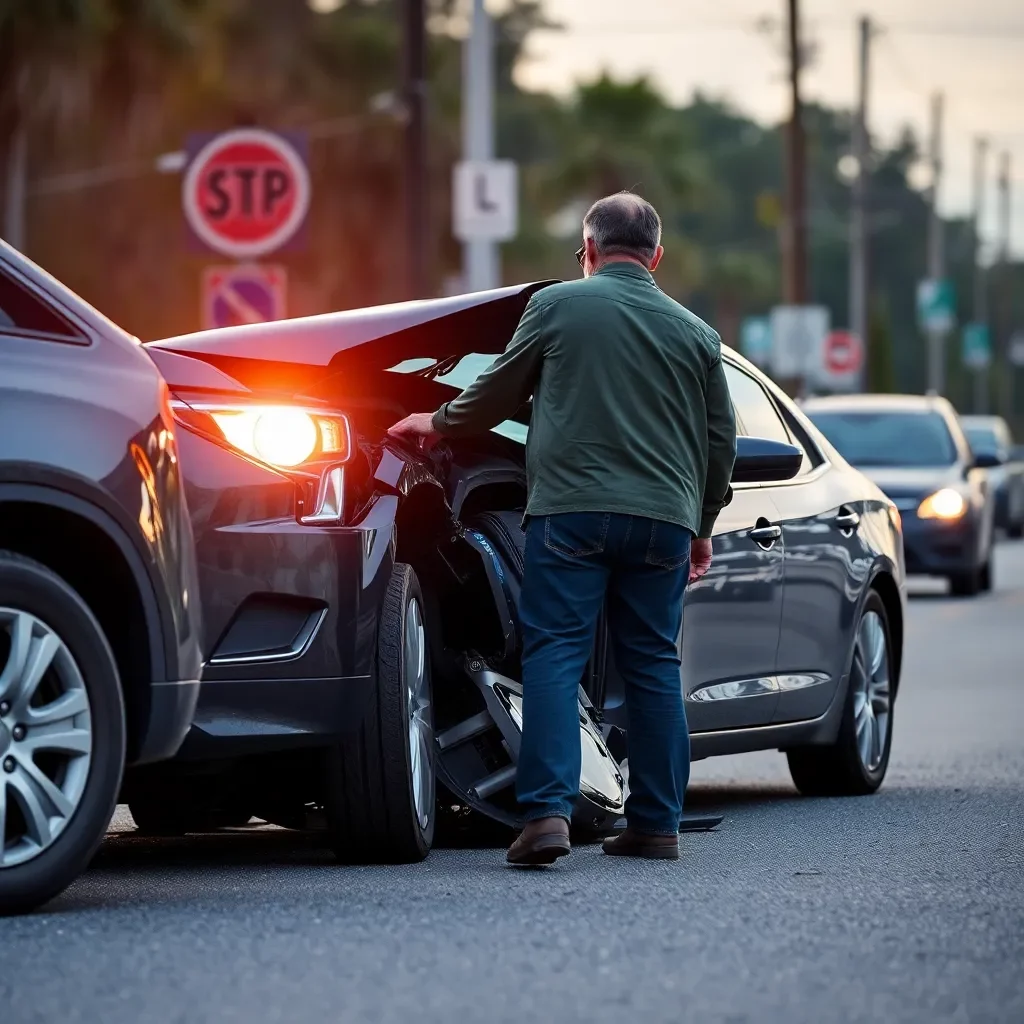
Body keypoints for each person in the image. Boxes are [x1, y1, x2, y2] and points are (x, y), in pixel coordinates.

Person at [388, 192, 736, 864]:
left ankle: (546, 816)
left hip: (572, 513)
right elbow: (719, 444)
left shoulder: (555, 307)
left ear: (590, 250)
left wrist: (438, 422)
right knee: (655, 666)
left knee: (554, 655)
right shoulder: (697, 335)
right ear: (656, 256)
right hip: (664, 520)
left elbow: (496, 392)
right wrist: (703, 524)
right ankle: (657, 825)